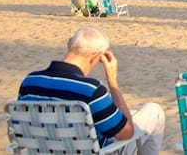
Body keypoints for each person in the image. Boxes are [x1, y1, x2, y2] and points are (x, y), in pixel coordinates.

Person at [18, 26, 165, 154]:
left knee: (126, 114)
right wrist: (113, 82)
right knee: (154, 112)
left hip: (43, 149)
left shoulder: (29, 82)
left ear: (70, 43)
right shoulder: (91, 90)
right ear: (97, 57)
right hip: (99, 151)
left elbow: (18, 131)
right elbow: (126, 133)